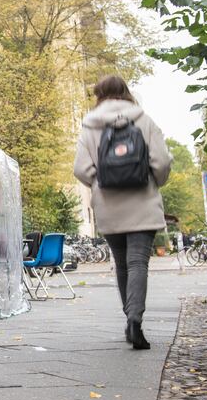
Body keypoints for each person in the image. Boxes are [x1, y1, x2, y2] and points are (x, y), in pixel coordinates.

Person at [73, 75, 173, 350]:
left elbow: (81, 168)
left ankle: (129, 318)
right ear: (126, 92)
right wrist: (153, 180)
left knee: (121, 263)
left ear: (99, 95)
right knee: (138, 262)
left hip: (109, 204)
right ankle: (135, 321)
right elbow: (162, 161)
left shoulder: (89, 125)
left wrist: (101, 181)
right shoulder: (144, 120)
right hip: (143, 200)